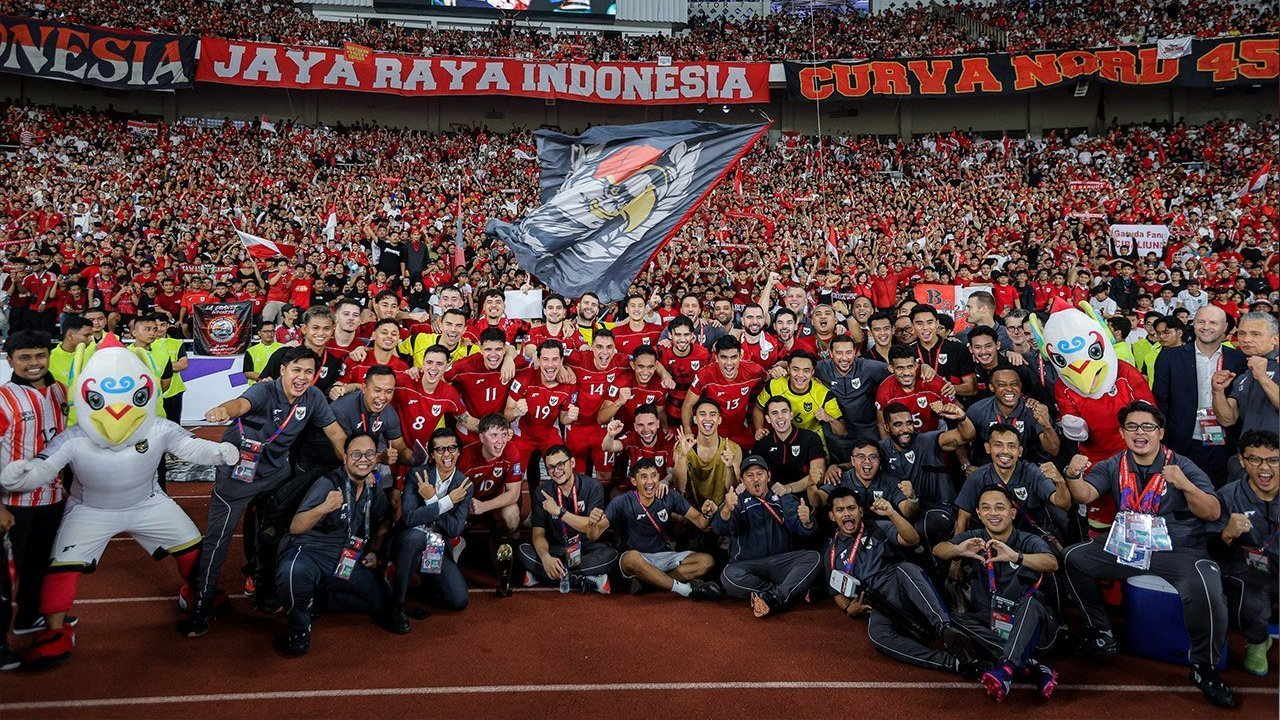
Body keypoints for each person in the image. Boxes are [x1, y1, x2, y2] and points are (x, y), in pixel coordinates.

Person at [1061, 401, 1234, 708]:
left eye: (1147, 427)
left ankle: (1203, 666)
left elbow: (1213, 512)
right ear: (1122, 432)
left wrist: (1183, 484)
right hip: (1128, 545)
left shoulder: (1182, 465)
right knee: (1073, 558)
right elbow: (1086, 494)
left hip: (1178, 549)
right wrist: (1073, 475)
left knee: (1206, 589)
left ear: (1160, 432)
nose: (1139, 433)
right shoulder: (1115, 463)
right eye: (1132, 427)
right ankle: (1101, 631)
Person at [182, 346, 347, 637]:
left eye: (309, 371)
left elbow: (335, 433)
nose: (302, 377)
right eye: (296, 370)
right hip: (237, 478)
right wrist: (223, 410)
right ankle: (201, 604)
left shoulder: (314, 397)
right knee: (217, 543)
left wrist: (352, 462)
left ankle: (264, 589)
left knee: (276, 533)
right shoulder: (264, 391)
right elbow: (239, 405)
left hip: (275, 476)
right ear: (282, 370)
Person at [823, 487, 977, 676]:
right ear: (831, 516)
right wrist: (848, 608)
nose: (847, 514)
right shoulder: (831, 551)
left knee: (907, 569)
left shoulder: (877, 527)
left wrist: (892, 513)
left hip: (901, 586)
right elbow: (836, 591)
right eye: (840, 510)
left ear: (860, 511)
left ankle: (945, 628)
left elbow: (912, 539)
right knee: (877, 636)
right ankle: (951, 663)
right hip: (878, 604)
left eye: (851, 508)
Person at [275, 433, 405, 655]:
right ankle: (299, 627)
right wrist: (323, 507)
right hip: (311, 552)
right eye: (356, 454)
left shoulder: (372, 487)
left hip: (346, 556)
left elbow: (384, 519)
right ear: (344, 458)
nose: (363, 459)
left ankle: (320, 599)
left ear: (375, 459)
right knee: (292, 572)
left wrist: (375, 551)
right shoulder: (328, 483)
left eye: (369, 454)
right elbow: (296, 527)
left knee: (382, 599)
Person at [934, 485, 1061, 702]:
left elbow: (1051, 562)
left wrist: (1017, 557)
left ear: (1012, 513)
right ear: (979, 513)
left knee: (1030, 603)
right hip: (991, 622)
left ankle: (1006, 669)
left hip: (1031, 625)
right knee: (951, 620)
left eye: (1000, 508)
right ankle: (1031, 665)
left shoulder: (1026, 540)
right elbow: (939, 549)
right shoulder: (976, 538)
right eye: (987, 508)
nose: (993, 513)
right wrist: (958, 550)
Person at [0, 332, 67, 669]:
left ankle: (28, 618)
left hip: (53, 498)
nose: (33, 363)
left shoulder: (60, 391)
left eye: (40, 356)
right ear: (10, 359)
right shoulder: (3, 399)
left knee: (40, 565)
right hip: (14, 505)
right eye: (24, 357)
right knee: (4, 577)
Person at [595, 458, 721, 599]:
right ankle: (684, 589)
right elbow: (596, 532)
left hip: (665, 556)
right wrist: (593, 522)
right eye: (644, 477)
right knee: (631, 558)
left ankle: (651, 582)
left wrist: (707, 512)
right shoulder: (622, 501)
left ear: (659, 477)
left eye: (654, 475)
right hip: (638, 559)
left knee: (706, 561)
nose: (650, 482)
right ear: (634, 481)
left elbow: (701, 522)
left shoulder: (670, 496)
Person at [712, 455, 820, 618]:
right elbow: (719, 529)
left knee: (814, 558)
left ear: (768, 476)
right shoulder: (736, 501)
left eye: (760, 474)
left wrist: (807, 522)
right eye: (750, 475)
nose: (755, 479)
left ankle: (775, 596)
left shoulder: (784, 499)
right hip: (749, 566)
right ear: (742, 480)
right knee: (728, 576)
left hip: (781, 563)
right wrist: (727, 508)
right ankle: (783, 592)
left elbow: (805, 531)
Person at [1154, 305, 1246, 484]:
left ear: (1225, 327)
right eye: (1201, 321)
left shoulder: (1238, 359)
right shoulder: (1170, 357)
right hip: (1181, 442)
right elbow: (1160, 401)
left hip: (1224, 442)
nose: (1206, 326)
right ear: (1193, 324)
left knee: (1219, 493)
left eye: (1213, 322)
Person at [1214, 430, 1278, 677]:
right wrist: (1227, 534)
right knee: (1249, 600)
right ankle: (1258, 641)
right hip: (1250, 575)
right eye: (1255, 459)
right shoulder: (1227, 496)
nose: (1265, 468)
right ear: (1241, 460)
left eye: (1273, 460)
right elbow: (1211, 553)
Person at [392, 428, 474, 618]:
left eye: (452, 448)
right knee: (416, 536)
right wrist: (446, 502)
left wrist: (431, 501)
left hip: (436, 547)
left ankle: (424, 578)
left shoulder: (464, 485)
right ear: (431, 454)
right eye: (440, 449)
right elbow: (409, 518)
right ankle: (396, 605)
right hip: (406, 542)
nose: (447, 454)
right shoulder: (417, 475)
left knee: (459, 600)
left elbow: (454, 529)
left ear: (459, 451)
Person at [519, 445, 616, 594]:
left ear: (572, 463)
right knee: (523, 551)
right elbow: (538, 534)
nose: (556, 471)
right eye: (550, 467)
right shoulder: (541, 492)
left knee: (611, 555)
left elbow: (590, 528)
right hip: (556, 548)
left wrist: (559, 512)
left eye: (560, 465)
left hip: (585, 548)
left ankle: (545, 575)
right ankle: (588, 579)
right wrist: (545, 558)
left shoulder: (593, 487)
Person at [457, 413, 524, 595]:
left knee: (512, 513)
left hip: (490, 505)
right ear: (481, 437)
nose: (500, 441)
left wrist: (484, 506)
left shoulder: (511, 450)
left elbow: (514, 494)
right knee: (452, 527)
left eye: (503, 435)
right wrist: (467, 507)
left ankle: (500, 541)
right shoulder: (466, 455)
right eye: (494, 435)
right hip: (467, 505)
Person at [1212, 312, 1280, 476]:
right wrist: (1217, 391)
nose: (1246, 339)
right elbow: (1227, 419)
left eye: (1255, 334)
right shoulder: (1242, 377)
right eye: (1242, 333)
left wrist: (1263, 378)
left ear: (1275, 339)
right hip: (1249, 461)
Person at [816, 334, 890, 461]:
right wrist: (780, 367)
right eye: (839, 353)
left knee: (874, 461)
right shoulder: (821, 368)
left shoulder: (867, 367)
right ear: (831, 354)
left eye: (849, 352)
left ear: (855, 353)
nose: (844, 358)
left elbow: (894, 369)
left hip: (867, 428)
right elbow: (799, 364)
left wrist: (922, 367)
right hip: (838, 430)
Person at [752, 396, 826, 502]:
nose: (780, 417)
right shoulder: (762, 444)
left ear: (791, 415)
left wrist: (788, 488)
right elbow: (755, 476)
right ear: (768, 419)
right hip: (772, 499)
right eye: (774, 413)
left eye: (784, 411)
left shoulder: (810, 438)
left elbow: (819, 475)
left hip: (806, 499)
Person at [673, 398, 741, 508]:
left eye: (713, 414)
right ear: (695, 419)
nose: (708, 419)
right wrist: (682, 456)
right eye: (702, 414)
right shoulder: (683, 447)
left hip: (724, 509)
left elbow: (732, 489)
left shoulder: (733, 449)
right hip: (693, 510)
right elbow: (680, 487)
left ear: (719, 420)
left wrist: (729, 467)